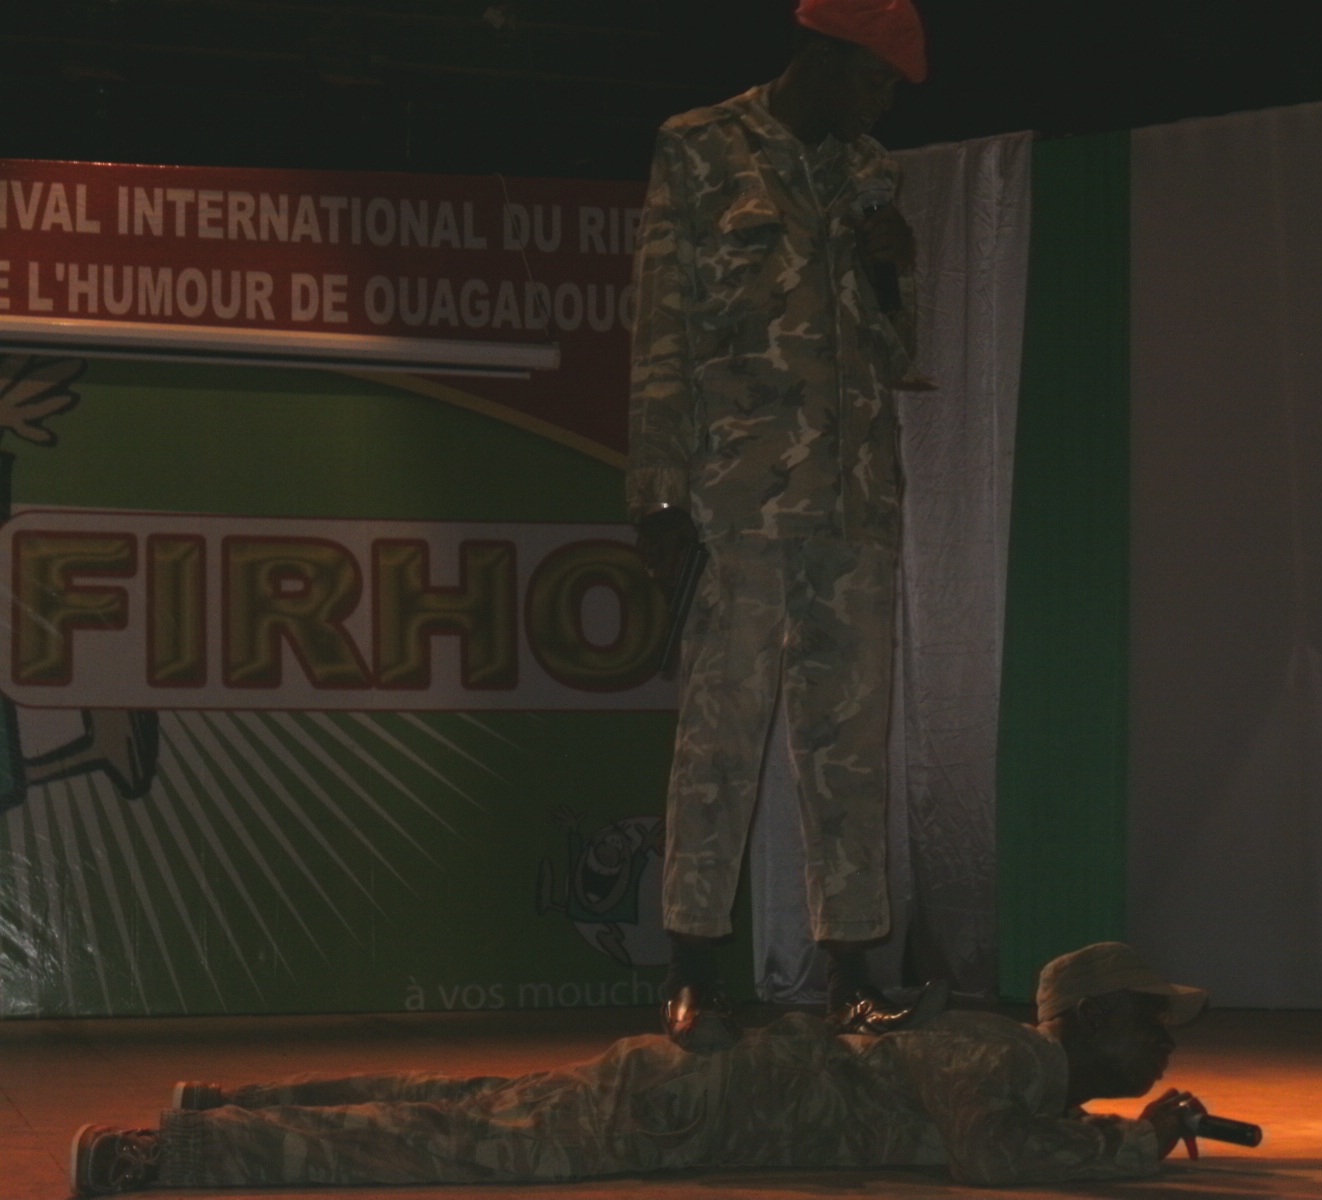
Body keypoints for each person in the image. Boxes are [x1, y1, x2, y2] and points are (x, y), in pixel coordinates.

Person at [629, 0, 935, 1050]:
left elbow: (896, 352)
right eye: (874, 79)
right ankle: (691, 971)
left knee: (850, 744)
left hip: (855, 502)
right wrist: (657, 493)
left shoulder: (870, 172)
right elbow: (661, 326)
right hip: (739, 497)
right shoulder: (701, 147)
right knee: (720, 737)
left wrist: (894, 268)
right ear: (822, 54)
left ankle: (849, 975)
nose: (881, 103)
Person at [69, 943, 1214, 1196]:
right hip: (694, 1111)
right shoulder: (1006, 1052)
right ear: (1087, 1018)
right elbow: (994, 1156)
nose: (1166, 1041)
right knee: (451, 1143)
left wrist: (1112, 1130)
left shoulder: (1012, 1060)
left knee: (457, 1104)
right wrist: (1138, 1140)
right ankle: (165, 1158)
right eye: (1150, 1021)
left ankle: (221, 1106)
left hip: (694, 1088)